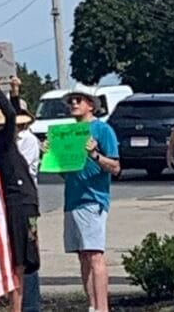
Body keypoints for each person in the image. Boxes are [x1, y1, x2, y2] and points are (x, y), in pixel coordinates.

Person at [43, 85, 120, 312]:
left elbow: (115, 167)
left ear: (90, 104)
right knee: (83, 255)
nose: (73, 104)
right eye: (71, 101)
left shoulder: (102, 130)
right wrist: (50, 155)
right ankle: (92, 305)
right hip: (72, 200)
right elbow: (64, 172)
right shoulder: (67, 132)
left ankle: (103, 308)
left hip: (93, 200)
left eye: (78, 99)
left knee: (95, 254)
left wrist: (95, 154)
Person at [0, 76, 40, 312]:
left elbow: (11, 112)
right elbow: (9, 114)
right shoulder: (3, 142)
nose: (20, 127)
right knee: (17, 263)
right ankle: (14, 309)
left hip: (20, 203)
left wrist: (14, 91)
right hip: (18, 204)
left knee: (17, 261)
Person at [12, 83, 42, 312]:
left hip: (27, 203)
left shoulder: (29, 141)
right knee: (15, 256)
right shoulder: (6, 141)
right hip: (13, 204)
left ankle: (30, 305)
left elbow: (21, 169)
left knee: (29, 255)